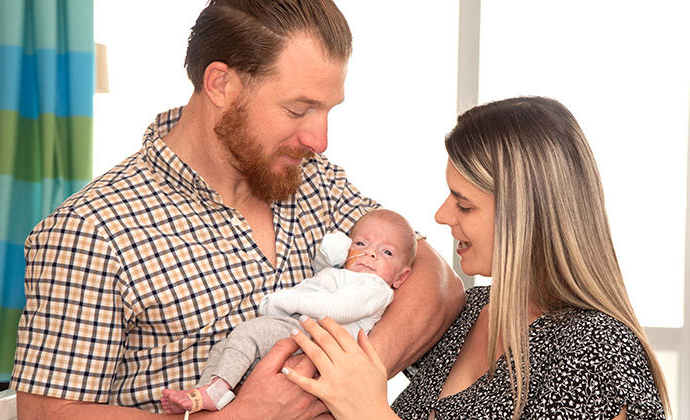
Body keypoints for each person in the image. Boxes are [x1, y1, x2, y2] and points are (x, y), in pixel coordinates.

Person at [9, 0, 466, 419]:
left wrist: (337, 380)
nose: (319, 139)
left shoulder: (317, 179)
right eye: (298, 109)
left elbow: (438, 282)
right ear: (221, 84)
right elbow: (49, 414)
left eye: (328, 110)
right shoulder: (90, 229)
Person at [282, 96, 671, 420]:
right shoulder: (473, 312)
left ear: (525, 217)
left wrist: (370, 412)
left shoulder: (600, 351)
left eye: (464, 206)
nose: (441, 215)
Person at [161, 209, 417, 415]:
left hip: (317, 338)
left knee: (249, 333)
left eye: (386, 252)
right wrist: (330, 256)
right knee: (226, 347)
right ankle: (206, 393)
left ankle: (216, 391)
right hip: (304, 331)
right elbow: (321, 279)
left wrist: (285, 301)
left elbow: (336, 309)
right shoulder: (345, 274)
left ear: (401, 276)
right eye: (361, 243)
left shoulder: (375, 286)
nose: (370, 253)